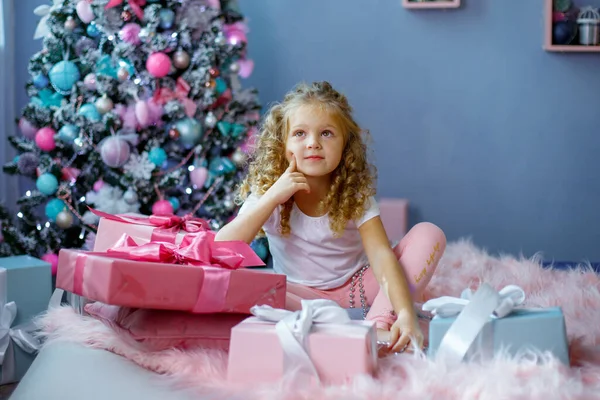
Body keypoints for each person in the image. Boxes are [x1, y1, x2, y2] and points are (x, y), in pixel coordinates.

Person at [215, 81, 446, 353]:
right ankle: (327, 325)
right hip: (298, 296)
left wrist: (406, 313)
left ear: (345, 144)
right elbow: (222, 248)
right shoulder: (268, 191)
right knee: (250, 288)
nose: (313, 143)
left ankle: (378, 324)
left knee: (429, 234)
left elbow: (382, 258)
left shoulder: (353, 192)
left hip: (357, 289)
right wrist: (272, 198)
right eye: (299, 133)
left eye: (326, 133)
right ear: (283, 144)